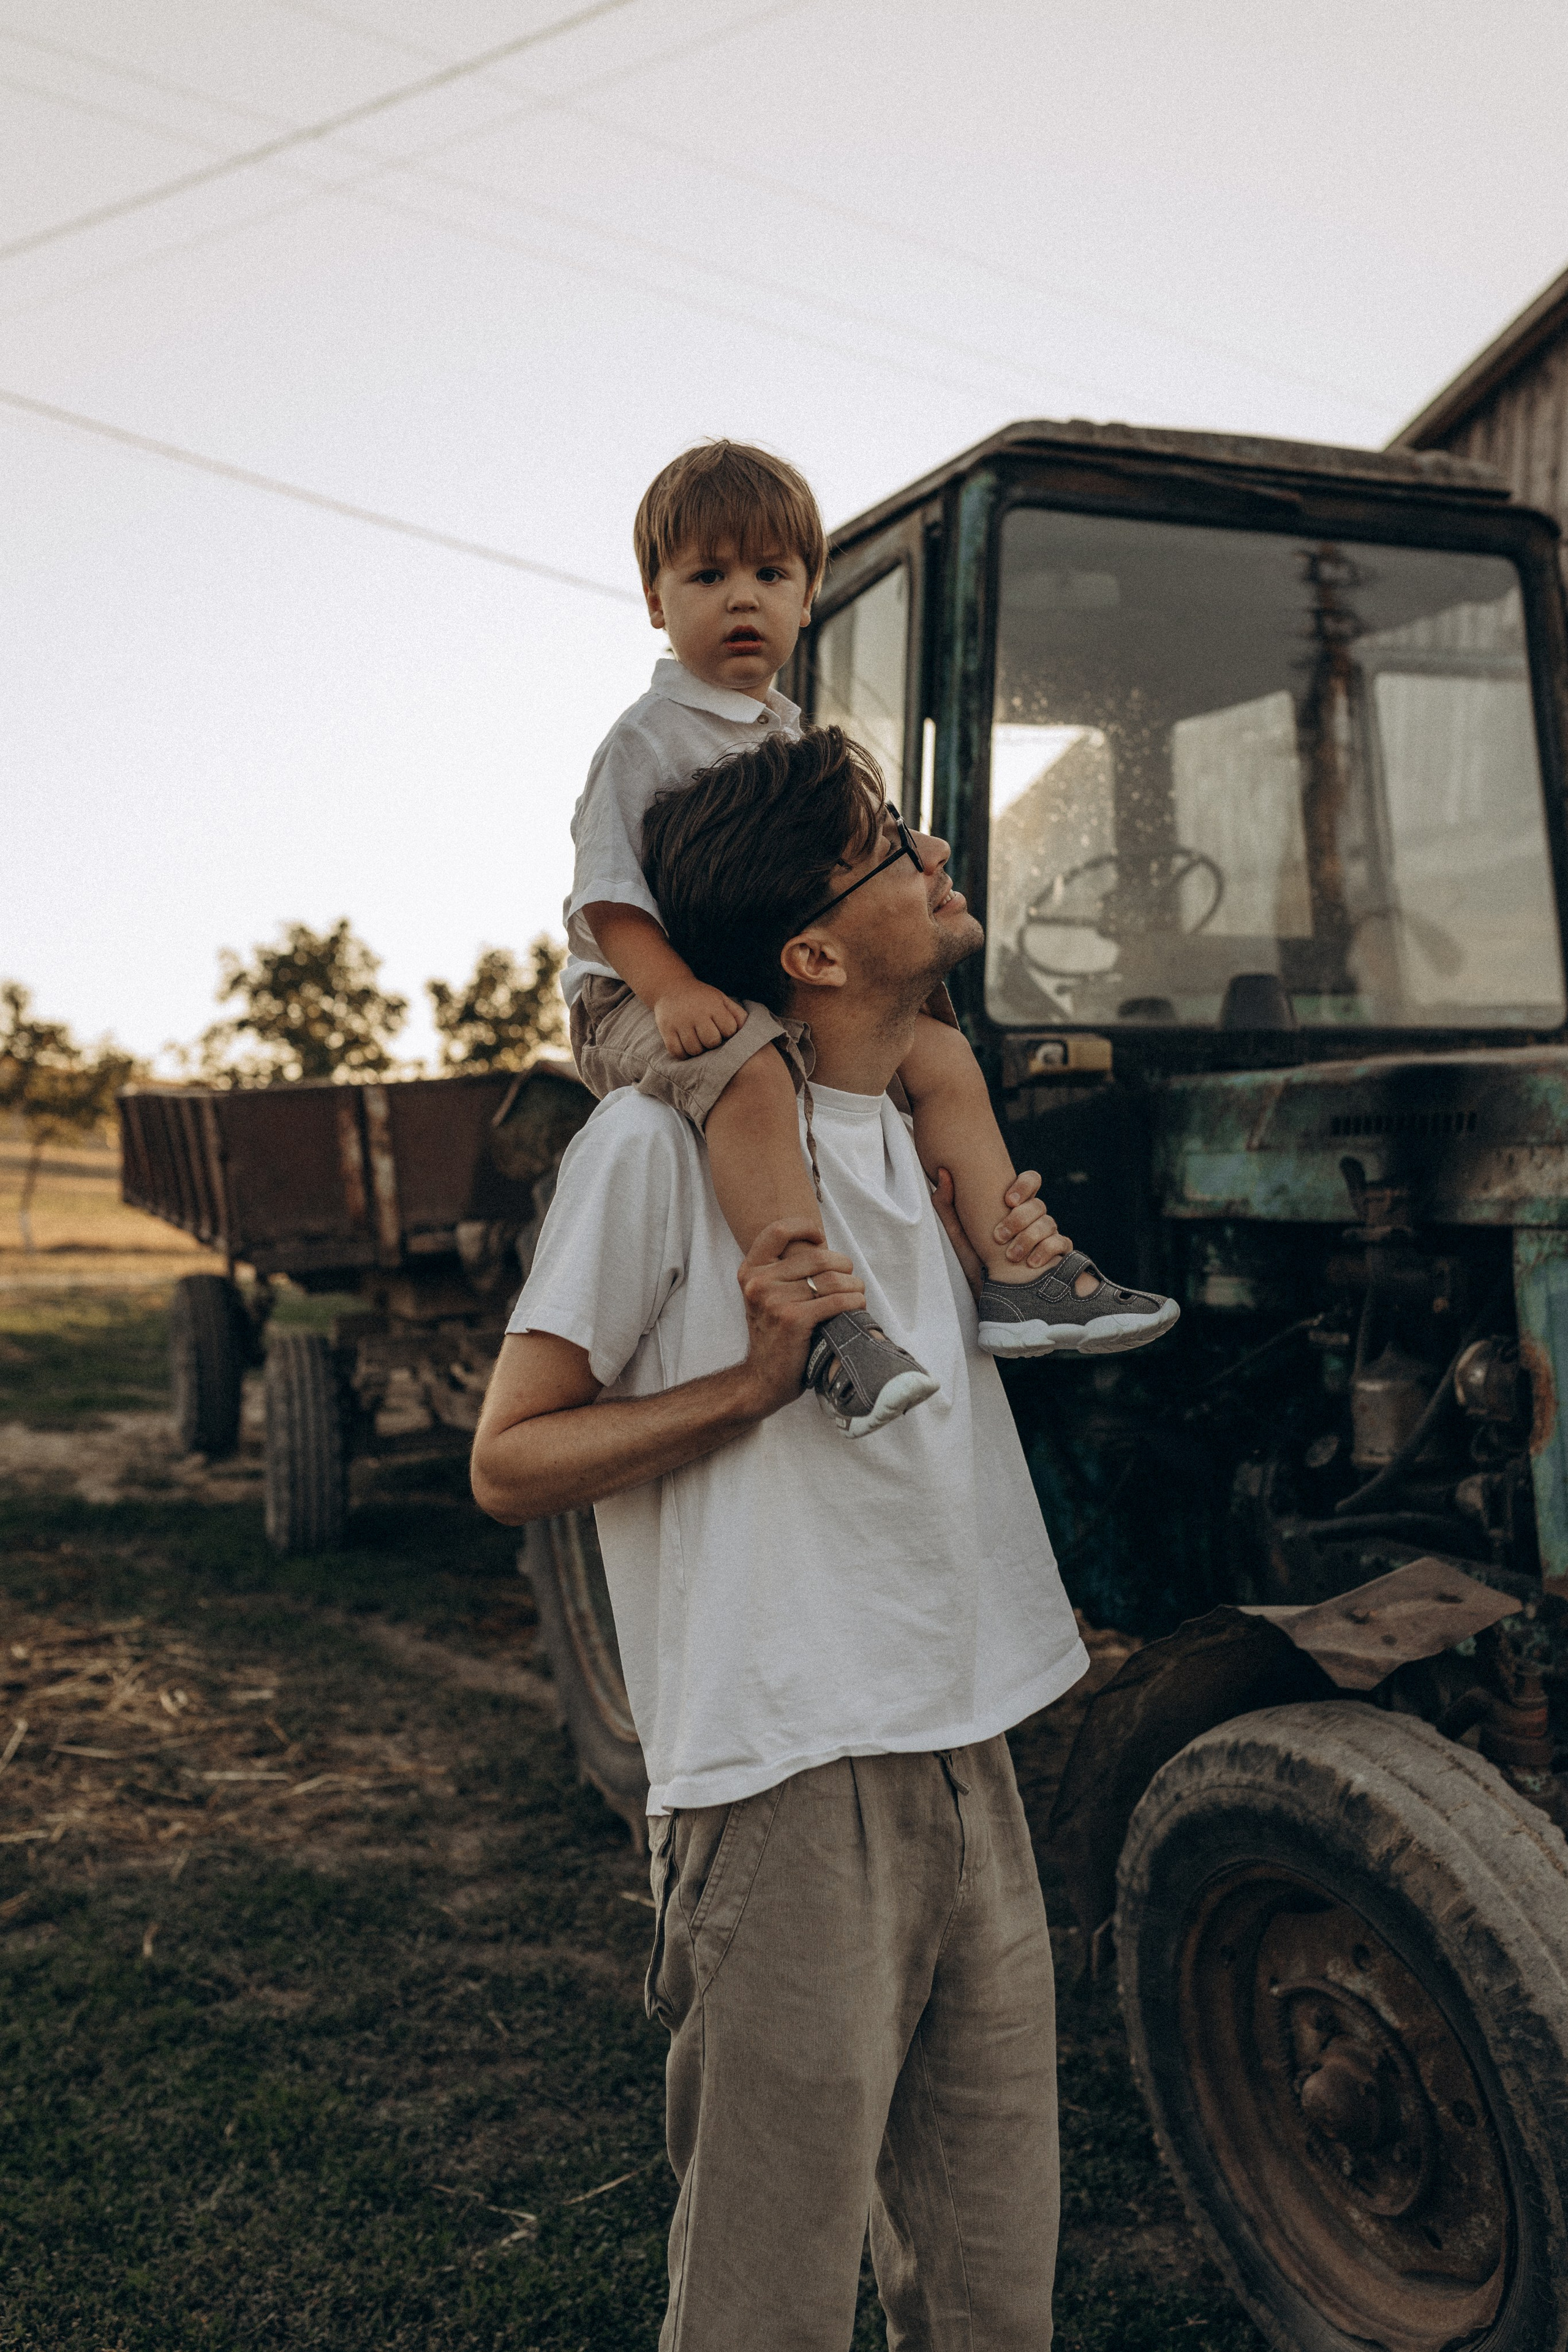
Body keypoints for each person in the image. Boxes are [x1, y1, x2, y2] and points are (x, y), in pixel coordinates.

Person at [473, 726, 1102, 2350]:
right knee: (769, 2315)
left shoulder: (924, 1139)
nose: (933, 849)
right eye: (890, 842)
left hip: (971, 1750)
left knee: (991, 2304)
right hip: (782, 1785)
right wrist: (756, 1384)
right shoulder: (652, 1151)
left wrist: (1022, 1262)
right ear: (816, 950)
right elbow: (510, 1460)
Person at [562, 437, 1176, 1439]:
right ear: (654, 601)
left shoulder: (789, 737)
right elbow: (607, 902)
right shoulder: (647, 737)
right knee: (751, 1072)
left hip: (753, 980)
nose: (743, 600)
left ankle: (1020, 1267)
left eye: (772, 574)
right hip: (634, 991)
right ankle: (821, 1320)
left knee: (938, 1051)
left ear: (810, 598)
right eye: (708, 576)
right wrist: (670, 993)